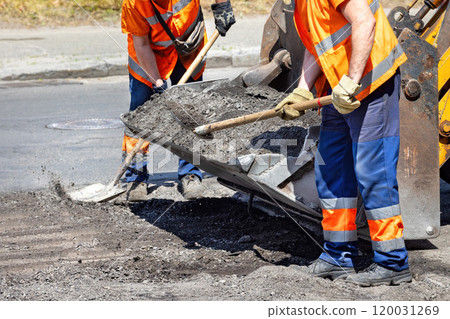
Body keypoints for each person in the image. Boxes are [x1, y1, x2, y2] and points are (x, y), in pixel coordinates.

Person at [275, 0, 412, 286]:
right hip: (339, 89)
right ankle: (338, 255)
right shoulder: (301, 4)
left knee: (373, 172)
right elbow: (320, 47)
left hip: (371, 84)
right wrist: (302, 90)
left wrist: (352, 82)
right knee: (332, 169)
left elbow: (365, 22)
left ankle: (393, 261)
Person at [120, 0, 235, 199]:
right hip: (148, 55)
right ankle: (135, 176)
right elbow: (141, 44)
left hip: (188, 48)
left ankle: (191, 173)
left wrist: (222, 6)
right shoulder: (134, 3)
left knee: (191, 111)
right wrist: (156, 81)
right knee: (140, 113)